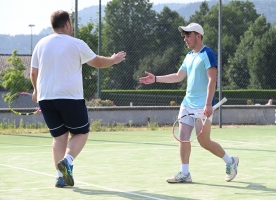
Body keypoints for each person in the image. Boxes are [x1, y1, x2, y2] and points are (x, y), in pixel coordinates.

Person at [30, 10, 126, 188]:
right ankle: (67, 161)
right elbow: (97, 62)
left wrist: (36, 91)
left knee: (59, 138)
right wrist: (113, 60)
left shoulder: (40, 44)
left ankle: (60, 177)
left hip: (46, 98)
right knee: (81, 133)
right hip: (69, 98)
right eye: (71, 24)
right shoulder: (76, 43)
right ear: (67, 24)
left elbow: (33, 73)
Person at [139, 23, 239, 183]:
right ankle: (185, 173)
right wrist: (156, 79)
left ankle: (230, 161)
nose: (185, 39)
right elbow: (178, 76)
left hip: (202, 106)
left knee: (204, 141)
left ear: (198, 36)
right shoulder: (189, 55)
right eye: (184, 36)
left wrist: (207, 104)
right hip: (187, 104)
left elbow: (212, 79)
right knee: (183, 137)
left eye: (188, 35)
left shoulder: (208, 54)